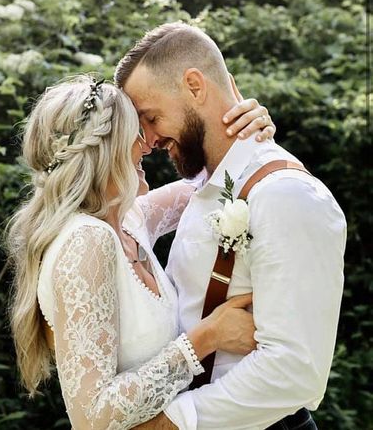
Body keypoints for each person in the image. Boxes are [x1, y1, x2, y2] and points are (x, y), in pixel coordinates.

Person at [5, 75, 275, 429]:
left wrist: (249, 132)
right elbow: (93, 417)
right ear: (106, 149)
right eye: (137, 134)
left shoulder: (129, 220)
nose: (148, 145)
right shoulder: (87, 241)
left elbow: (213, 185)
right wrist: (207, 338)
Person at [115, 22, 347, 430]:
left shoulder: (286, 196)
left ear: (194, 86)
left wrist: (172, 422)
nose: (148, 139)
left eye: (151, 117)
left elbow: (295, 369)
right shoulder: (209, 185)